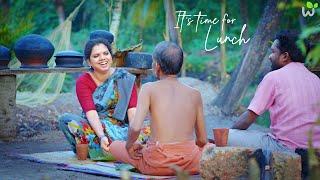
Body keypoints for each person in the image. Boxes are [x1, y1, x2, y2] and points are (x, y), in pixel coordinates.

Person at [109, 41, 210, 176]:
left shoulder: (148, 88)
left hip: (157, 164)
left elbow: (135, 127)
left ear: (156, 66)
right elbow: (202, 140)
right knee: (210, 148)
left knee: (115, 146)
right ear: (179, 66)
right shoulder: (195, 94)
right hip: (191, 163)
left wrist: (129, 145)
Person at [229, 30, 320, 154]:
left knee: (226, 136)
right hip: (314, 150)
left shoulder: (273, 77)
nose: (269, 56)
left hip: (285, 148)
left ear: (285, 56)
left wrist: (230, 132)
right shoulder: (316, 79)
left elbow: (248, 118)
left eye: (273, 52)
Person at [59, 38, 149, 160]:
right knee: (66, 120)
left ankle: (121, 149)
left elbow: (133, 112)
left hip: (122, 129)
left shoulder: (125, 78)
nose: (102, 58)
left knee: (152, 126)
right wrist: (102, 136)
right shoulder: (83, 82)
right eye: (96, 56)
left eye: (106, 53)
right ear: (89, 62)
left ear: (111, 56)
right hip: (95, 129)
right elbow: (91, 113)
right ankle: (111, 149)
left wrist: (133, 137)